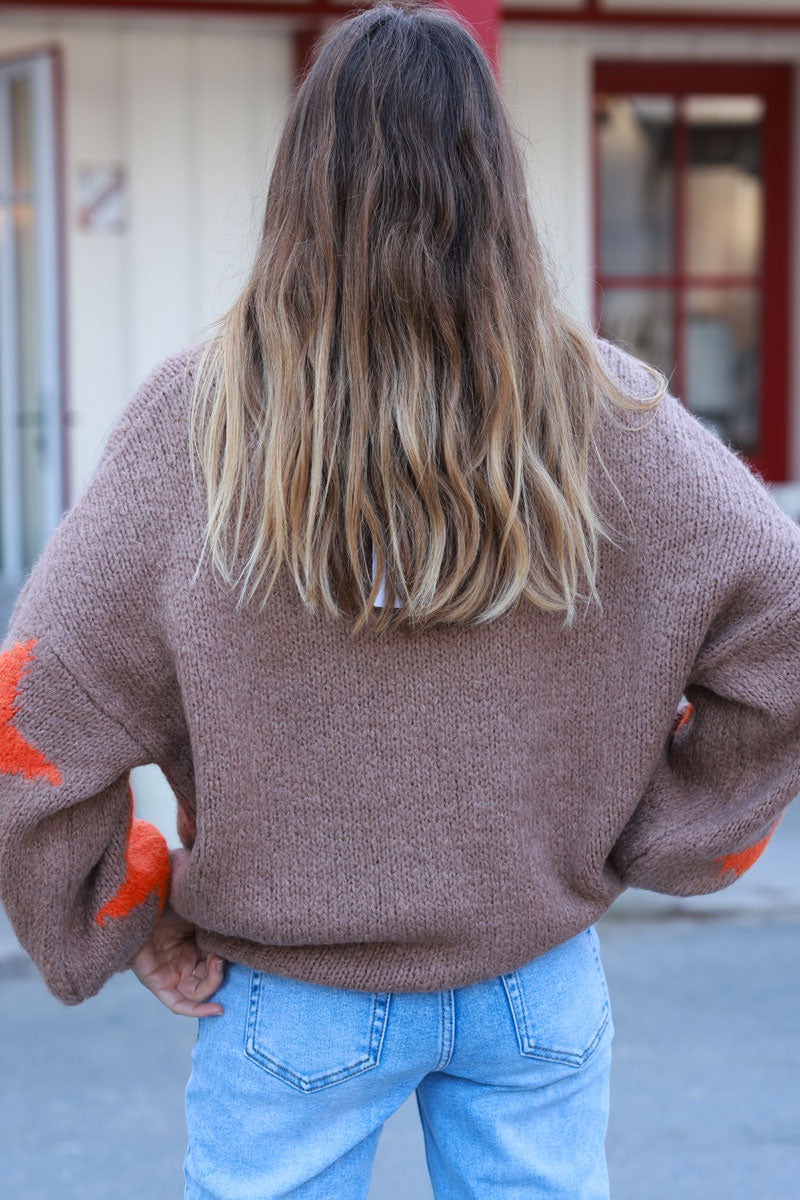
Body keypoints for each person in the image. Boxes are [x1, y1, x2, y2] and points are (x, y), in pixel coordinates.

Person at [1, 3, 800, 1198]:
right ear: (496, 185)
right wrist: (657, 836)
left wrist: (129, 908)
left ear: (300, 188)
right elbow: (780, 618)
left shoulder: (196, 422)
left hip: (290, 1003)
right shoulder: (603, 412)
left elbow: (32, 719)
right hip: (536, 984)